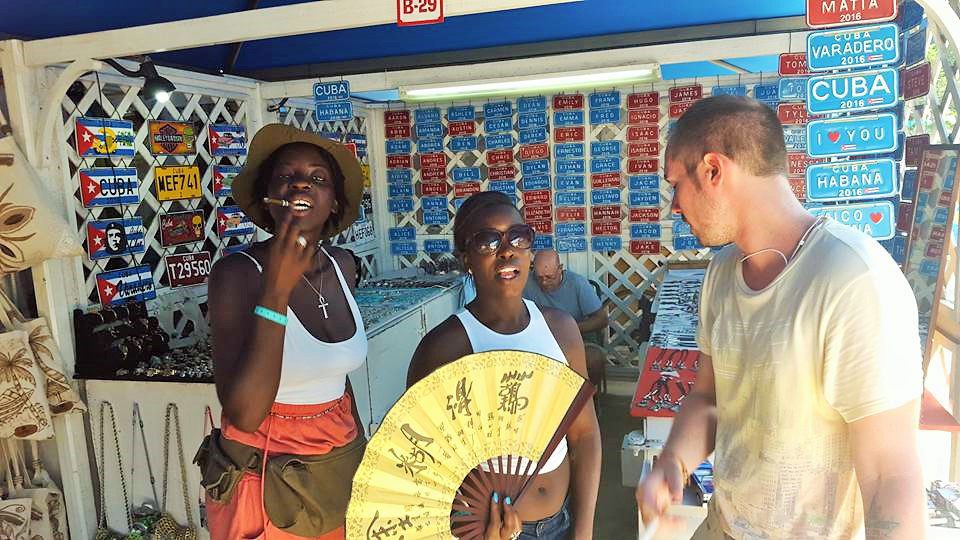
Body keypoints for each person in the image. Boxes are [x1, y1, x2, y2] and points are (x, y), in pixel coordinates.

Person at [635, 95, 925, 539]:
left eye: (676, 183)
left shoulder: (853, 279)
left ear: (713, 170)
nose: (674, 205)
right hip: (723, 526)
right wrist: (673, 462)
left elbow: (891, 475)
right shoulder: (721, 272)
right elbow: (709, 398)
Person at [199, 124, 368, 540]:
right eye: (285, 176)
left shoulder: (343, 266)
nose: (300, 185)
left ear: (334, 203)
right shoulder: (238, 273)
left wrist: (364, 458)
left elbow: (337, 379)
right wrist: (276, 288)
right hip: (265, 476)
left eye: (317, 178)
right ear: (266, 198)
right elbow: (243, 413)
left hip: (335, 465)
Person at [407, 191, 602, 540]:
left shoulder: (560, 328)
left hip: (563, 523)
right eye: (487, 241)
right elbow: (422, 466)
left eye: (518, 236)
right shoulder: (443, 348)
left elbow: (585, 435)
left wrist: (583, 530)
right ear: (465, 258)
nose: (507, 250)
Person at [523, 250, 608, 391]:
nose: (544, 282)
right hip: (540, 340)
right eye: (540, 277)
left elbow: (601, 319)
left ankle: (587, 400)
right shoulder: (527, 284)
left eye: (549, 277)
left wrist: (569, 329)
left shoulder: (577, 283)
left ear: (560, 269)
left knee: (593, 358)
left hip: (578, 338)